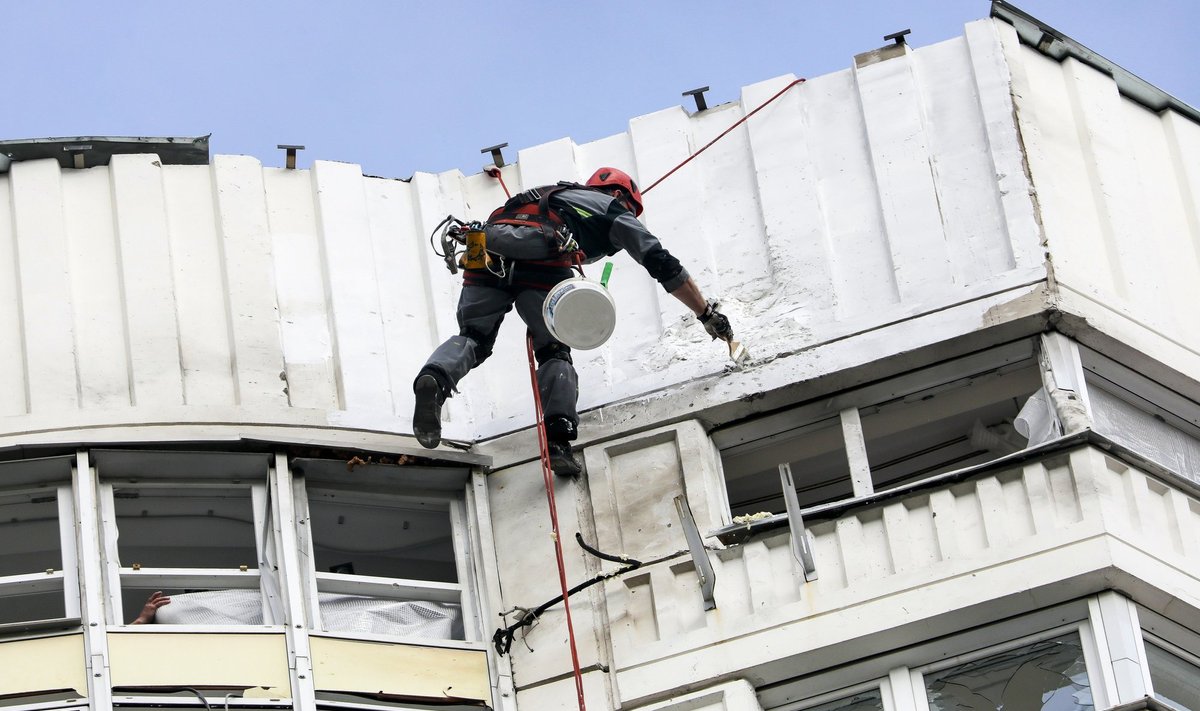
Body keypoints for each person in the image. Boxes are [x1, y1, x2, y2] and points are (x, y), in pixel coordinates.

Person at [412, 167, 735, 476]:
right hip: (544, 261)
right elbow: (659, 260)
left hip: (486, 248)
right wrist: (706, 313)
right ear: (621, 197)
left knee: (474, 337)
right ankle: (559, 440)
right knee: (554, 349)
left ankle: (434, 380)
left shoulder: (545, 195)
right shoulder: (612, 209)